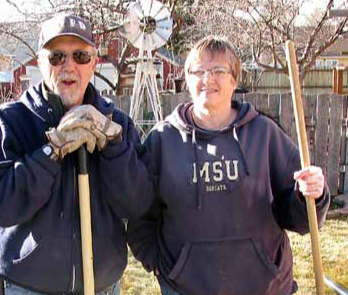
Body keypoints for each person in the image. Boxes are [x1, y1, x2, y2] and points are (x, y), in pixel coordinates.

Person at [127, 35, 330, 295]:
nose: (207, 79)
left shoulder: (264, 134)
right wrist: (161, 265)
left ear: (234, 80)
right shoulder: (163, 140)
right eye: (198, 71)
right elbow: (140, 213)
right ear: (186, 80)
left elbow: (301, 219)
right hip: (185, 288)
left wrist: (311, 194)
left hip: (264, 288)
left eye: (218, 71)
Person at [0, 14, 151, 295]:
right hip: (27, 287)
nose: (69, 65)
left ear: (94, 62)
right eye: (56, 56)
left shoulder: (116, 124)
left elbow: (137, 203)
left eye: (80, 55)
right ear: (40, 62)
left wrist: (113, 145)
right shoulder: (11, 122)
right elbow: (3, 206)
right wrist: (51, 150)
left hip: (101, 287)